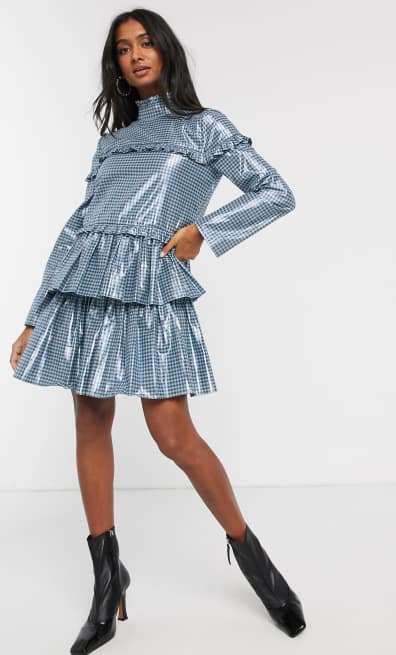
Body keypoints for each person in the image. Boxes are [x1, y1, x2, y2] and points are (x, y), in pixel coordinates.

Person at [10, 8, 305, 653]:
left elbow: (275, 192)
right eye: (123, 49)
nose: (136, 55)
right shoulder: (113, 140)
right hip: (88, 289)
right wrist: (35, 314)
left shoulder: (206, 127)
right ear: (115, 65)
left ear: (166, 50)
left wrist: (205, 231)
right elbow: (76, 226)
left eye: (146, 43)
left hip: (152, 290)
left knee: (173, 434)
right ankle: (106, 580)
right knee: (90, 418)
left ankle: (254, 561)